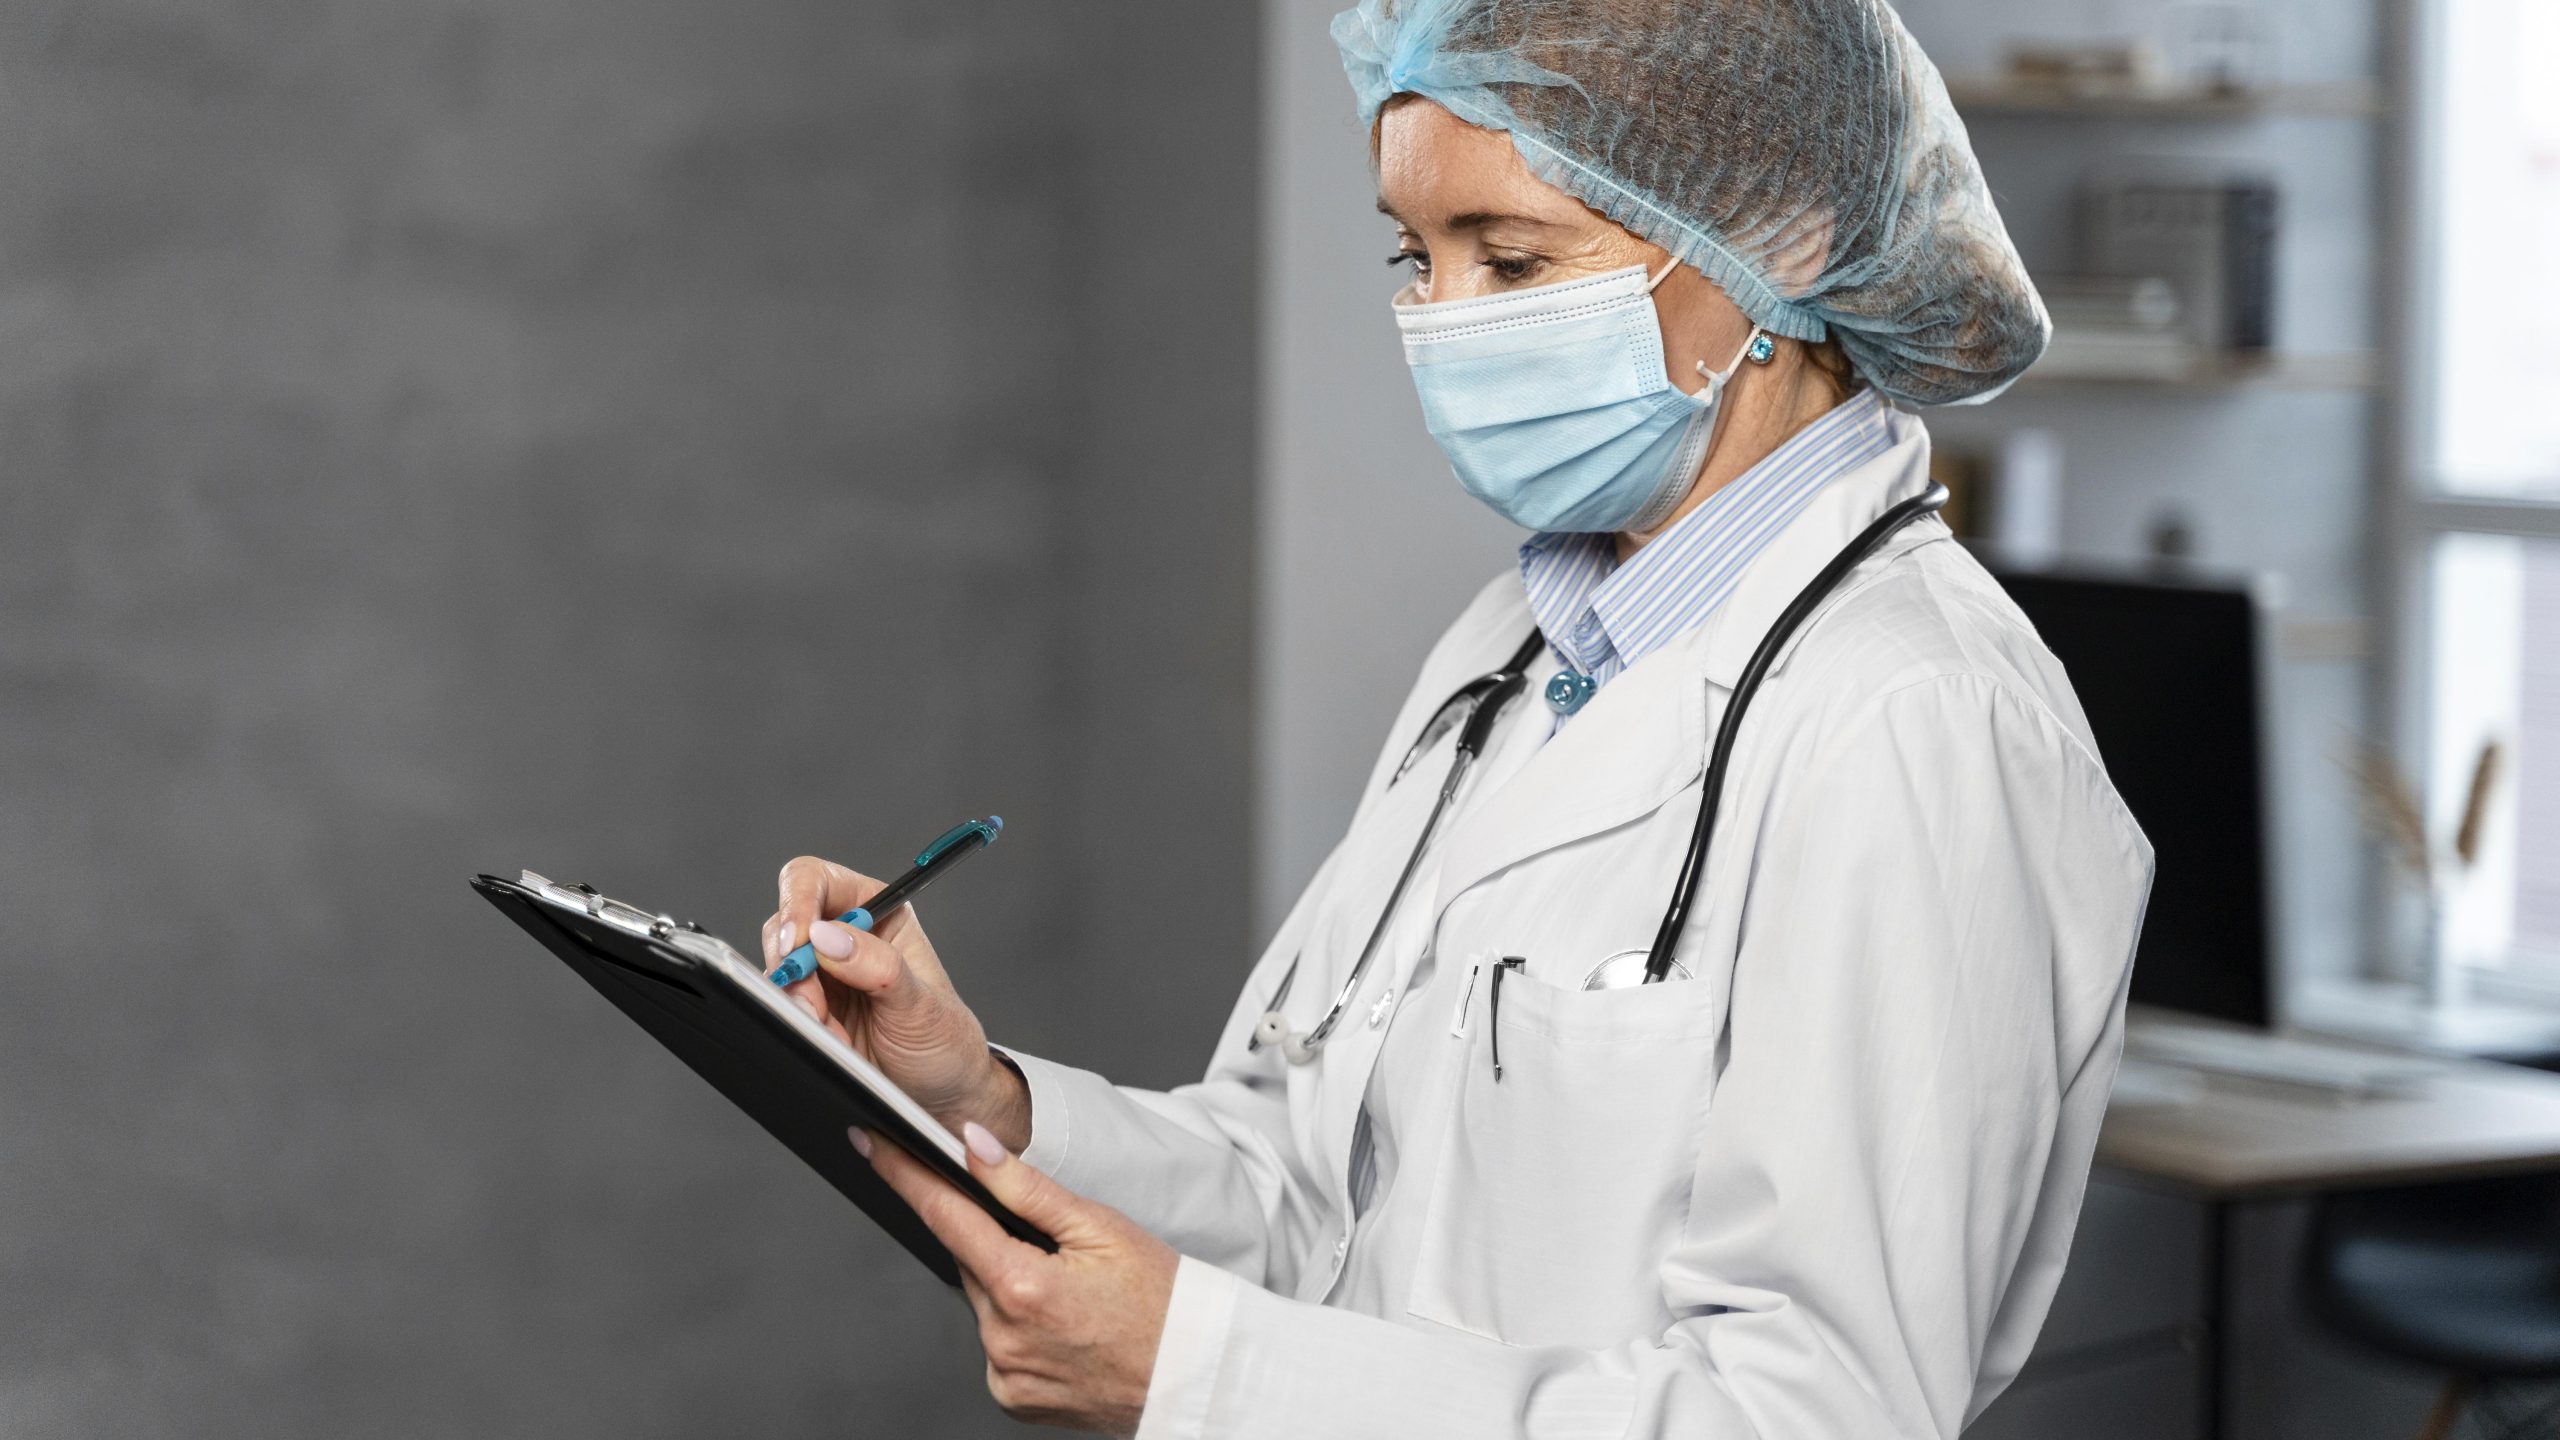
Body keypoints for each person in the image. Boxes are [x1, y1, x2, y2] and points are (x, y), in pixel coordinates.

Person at [763, 0, 2152, 1434]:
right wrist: (987, 1097)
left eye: (1515, 257)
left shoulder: (1918, 721)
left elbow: (1814, 1410)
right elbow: (1314, 1184)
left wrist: (1205, 1378)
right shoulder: (1523, 642)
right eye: (1414, 256)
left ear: (1783, 238)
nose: (1443, 321)